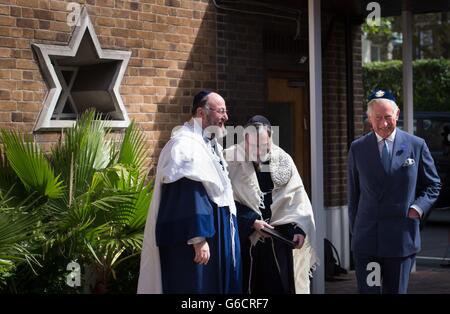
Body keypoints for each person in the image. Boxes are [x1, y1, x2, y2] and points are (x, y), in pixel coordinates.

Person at [137, 90, 242, 294]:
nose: (226, 117)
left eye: (225, 111)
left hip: (216, 230)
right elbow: (188, 192)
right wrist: (198, 238)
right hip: (196, 238)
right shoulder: (185, 145)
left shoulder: (208, 144)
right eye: (221, 111)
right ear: (201, 113)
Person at [347, 89, 441, 294]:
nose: (383, 124)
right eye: (377, 118)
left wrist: (417, 208)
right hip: (368, 242)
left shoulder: (416, 145)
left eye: (388, 117)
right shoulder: (358, 148)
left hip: (400, 240)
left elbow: (433, 185)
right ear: (369, 118)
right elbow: (353, 195)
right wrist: (356, 233)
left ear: (397, 115)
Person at [223, 115, 318, 294]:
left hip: (278, 242)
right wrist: (252, 221)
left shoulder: (282, 159)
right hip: (246, 243)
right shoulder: (229, 159)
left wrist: (298, 230)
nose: (259, 152)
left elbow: (296, 197)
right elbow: (224, 201)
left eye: (263, 146)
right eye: (253, 146)